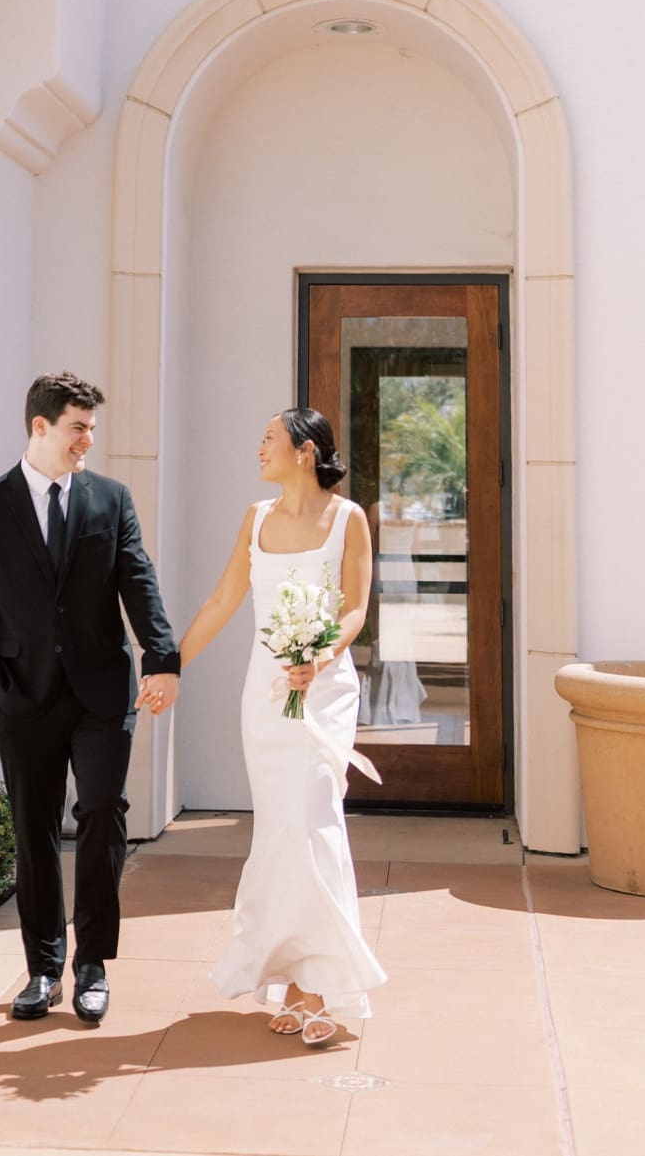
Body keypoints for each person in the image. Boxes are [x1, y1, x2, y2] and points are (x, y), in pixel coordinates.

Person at [0, 370, 181, 1027]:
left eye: (92, 429)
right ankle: (44, 965)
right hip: (22, 699)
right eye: (79, 427)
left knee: (105, 812)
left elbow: (139, 582)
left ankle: (92, 965)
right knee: (35, 829)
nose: (88, 441)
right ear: (41, 426)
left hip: (103, 692)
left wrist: (161, 658)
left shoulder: (111, 499)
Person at [167, 406, 387, 1049]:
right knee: (280, 831)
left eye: (268, 439)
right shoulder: (255, 520)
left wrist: (318, 658)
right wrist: (166, 668)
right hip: (264, 696)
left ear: (304, 452)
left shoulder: (349, 519)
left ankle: (320, 986)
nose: (257, 449)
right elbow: (222, 601)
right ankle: (292, 977)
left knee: (315, 820)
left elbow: (354, 612)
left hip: (324, 690)